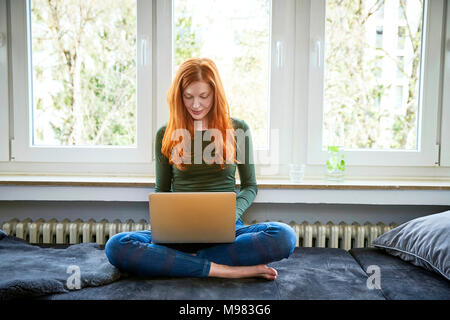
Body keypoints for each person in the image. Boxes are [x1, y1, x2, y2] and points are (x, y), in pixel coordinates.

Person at [105, 57, 297, 280]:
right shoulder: (165, 134)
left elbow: (249, 186)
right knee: (116, 245)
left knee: (284, 236)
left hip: (226, 231)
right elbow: (162, 191)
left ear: (215, 95)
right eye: (188, 97)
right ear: (179, 97)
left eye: (203, 96)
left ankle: (182, 262)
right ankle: (223, 270)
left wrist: (230, 213)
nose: (196, 104)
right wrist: (167, 224)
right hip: (177, 233)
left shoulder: (238, 129)